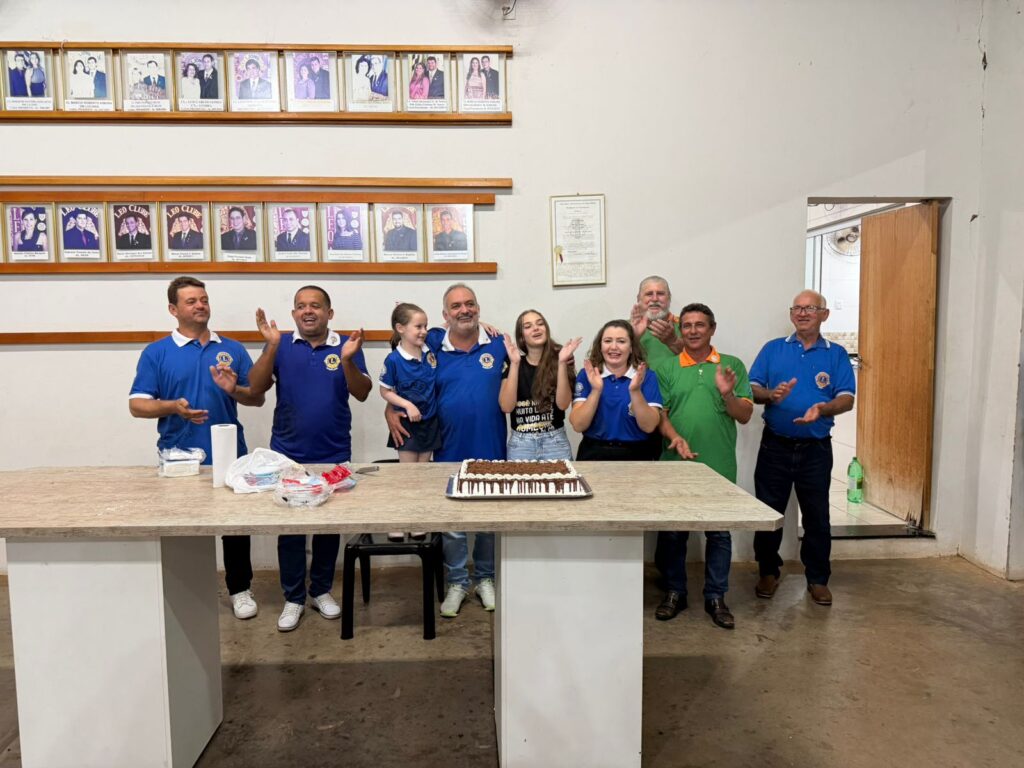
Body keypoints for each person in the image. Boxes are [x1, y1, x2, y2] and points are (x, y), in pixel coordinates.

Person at [129, 276, 264, 620]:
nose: (200, 305)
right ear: (173, 309)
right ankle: (185, 595)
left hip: (230, 454)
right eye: (191, 301)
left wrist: (234, 390)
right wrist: (172, 407)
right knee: (183, 528)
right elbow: (137, 405)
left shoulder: (232, 349)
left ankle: (240, 589)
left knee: (235, 528)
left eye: (203, 299)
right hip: (179, 457)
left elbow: (257, 398)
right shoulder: (157, 352)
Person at [249, 286, 371, 631]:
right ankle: (293, 598)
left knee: (327, 527)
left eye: (315, 306)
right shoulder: (281, 344)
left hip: (334, 452)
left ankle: (320, 590)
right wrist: (271, 346)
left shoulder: (346, 345)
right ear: (293, 314)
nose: (308, 311)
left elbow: (362, 393)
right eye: (301, 306)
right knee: (290, 530)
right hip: (288, 453)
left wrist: (347, 360)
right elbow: (255, 387)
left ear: (329, 313)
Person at [386, 284, 508, 618]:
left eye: (470, 304)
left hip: (491, 444)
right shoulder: (431, 345)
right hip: (447, 447)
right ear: (445, 314)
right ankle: (457, 581)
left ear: (478, 308)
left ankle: (485, 578)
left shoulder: (498, 344)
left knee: (487, 521)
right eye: (456, 306)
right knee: (453, 523)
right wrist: (391, 409)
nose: (464, 310)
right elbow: (400, 375)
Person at [749, 290, 856, 607]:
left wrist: (823, 408)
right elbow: (752, 389)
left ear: (824, 314)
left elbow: (846, 399)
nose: (803, 313)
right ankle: (768, 571)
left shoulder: (836, 354)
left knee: (817, 517)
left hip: (815, 450)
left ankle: (818, 579)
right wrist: (770, 395)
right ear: (791, 313)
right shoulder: (773, 349)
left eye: (810, 308)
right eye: (797, 308)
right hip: (775, 446)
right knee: (768, 513)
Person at [653, 303, 753, 629]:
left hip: (718, 465)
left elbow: (745, 415)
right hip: (675, 464)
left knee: (719, 533)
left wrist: (728, 394)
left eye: (700, 325)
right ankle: (675, 592)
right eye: (687, 325)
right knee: (673, 533)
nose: (693, 331)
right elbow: (660, 415)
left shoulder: (731, 365)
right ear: (680, 330)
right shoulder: (667, 368)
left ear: (712, 329)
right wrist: (675, 437)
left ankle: (716, 597)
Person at [379, 303, 442, 541]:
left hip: (429, 422)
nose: (424, 331)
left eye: (425, 326)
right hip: (406, 424)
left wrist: (483, 324)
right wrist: (407, 404)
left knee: (422, 475)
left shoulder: (429, 350)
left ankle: (416, 520)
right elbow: (385, 391)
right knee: (408, 475)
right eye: (418, 326)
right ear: (400, 328)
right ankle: (397, 521)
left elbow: (450, 325)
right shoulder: (394, 360)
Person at [569, 319, 662, 460]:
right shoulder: (587, 374)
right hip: (594, 452)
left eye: (621, 341)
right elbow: (578, 425)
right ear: (600, 346)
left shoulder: (646, 376)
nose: (613, 347)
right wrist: (596, 391)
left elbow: (649, 426)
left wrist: (635, 391)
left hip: (637, 454)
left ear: (631, 347)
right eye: (607, 341)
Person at [500, 309, 580, 461]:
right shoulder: (514, 364)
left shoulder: (562, 360)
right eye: (528, 326)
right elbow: (506, 407)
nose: (536, 328)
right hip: (521, 444)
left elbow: (563, 404)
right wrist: (515, 364)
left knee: (562, 478)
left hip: (555, 442)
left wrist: (562, 363)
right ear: (521, 337)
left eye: (540, 324)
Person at [631, 275, 685, 369]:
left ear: (669, 298)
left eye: (660, 294)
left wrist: (674, 342)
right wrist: (633, 337)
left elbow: (700, 360)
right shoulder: (623, 328)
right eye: (649, 294)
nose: (655, 299)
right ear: (638, 298)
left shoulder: (687, 326)